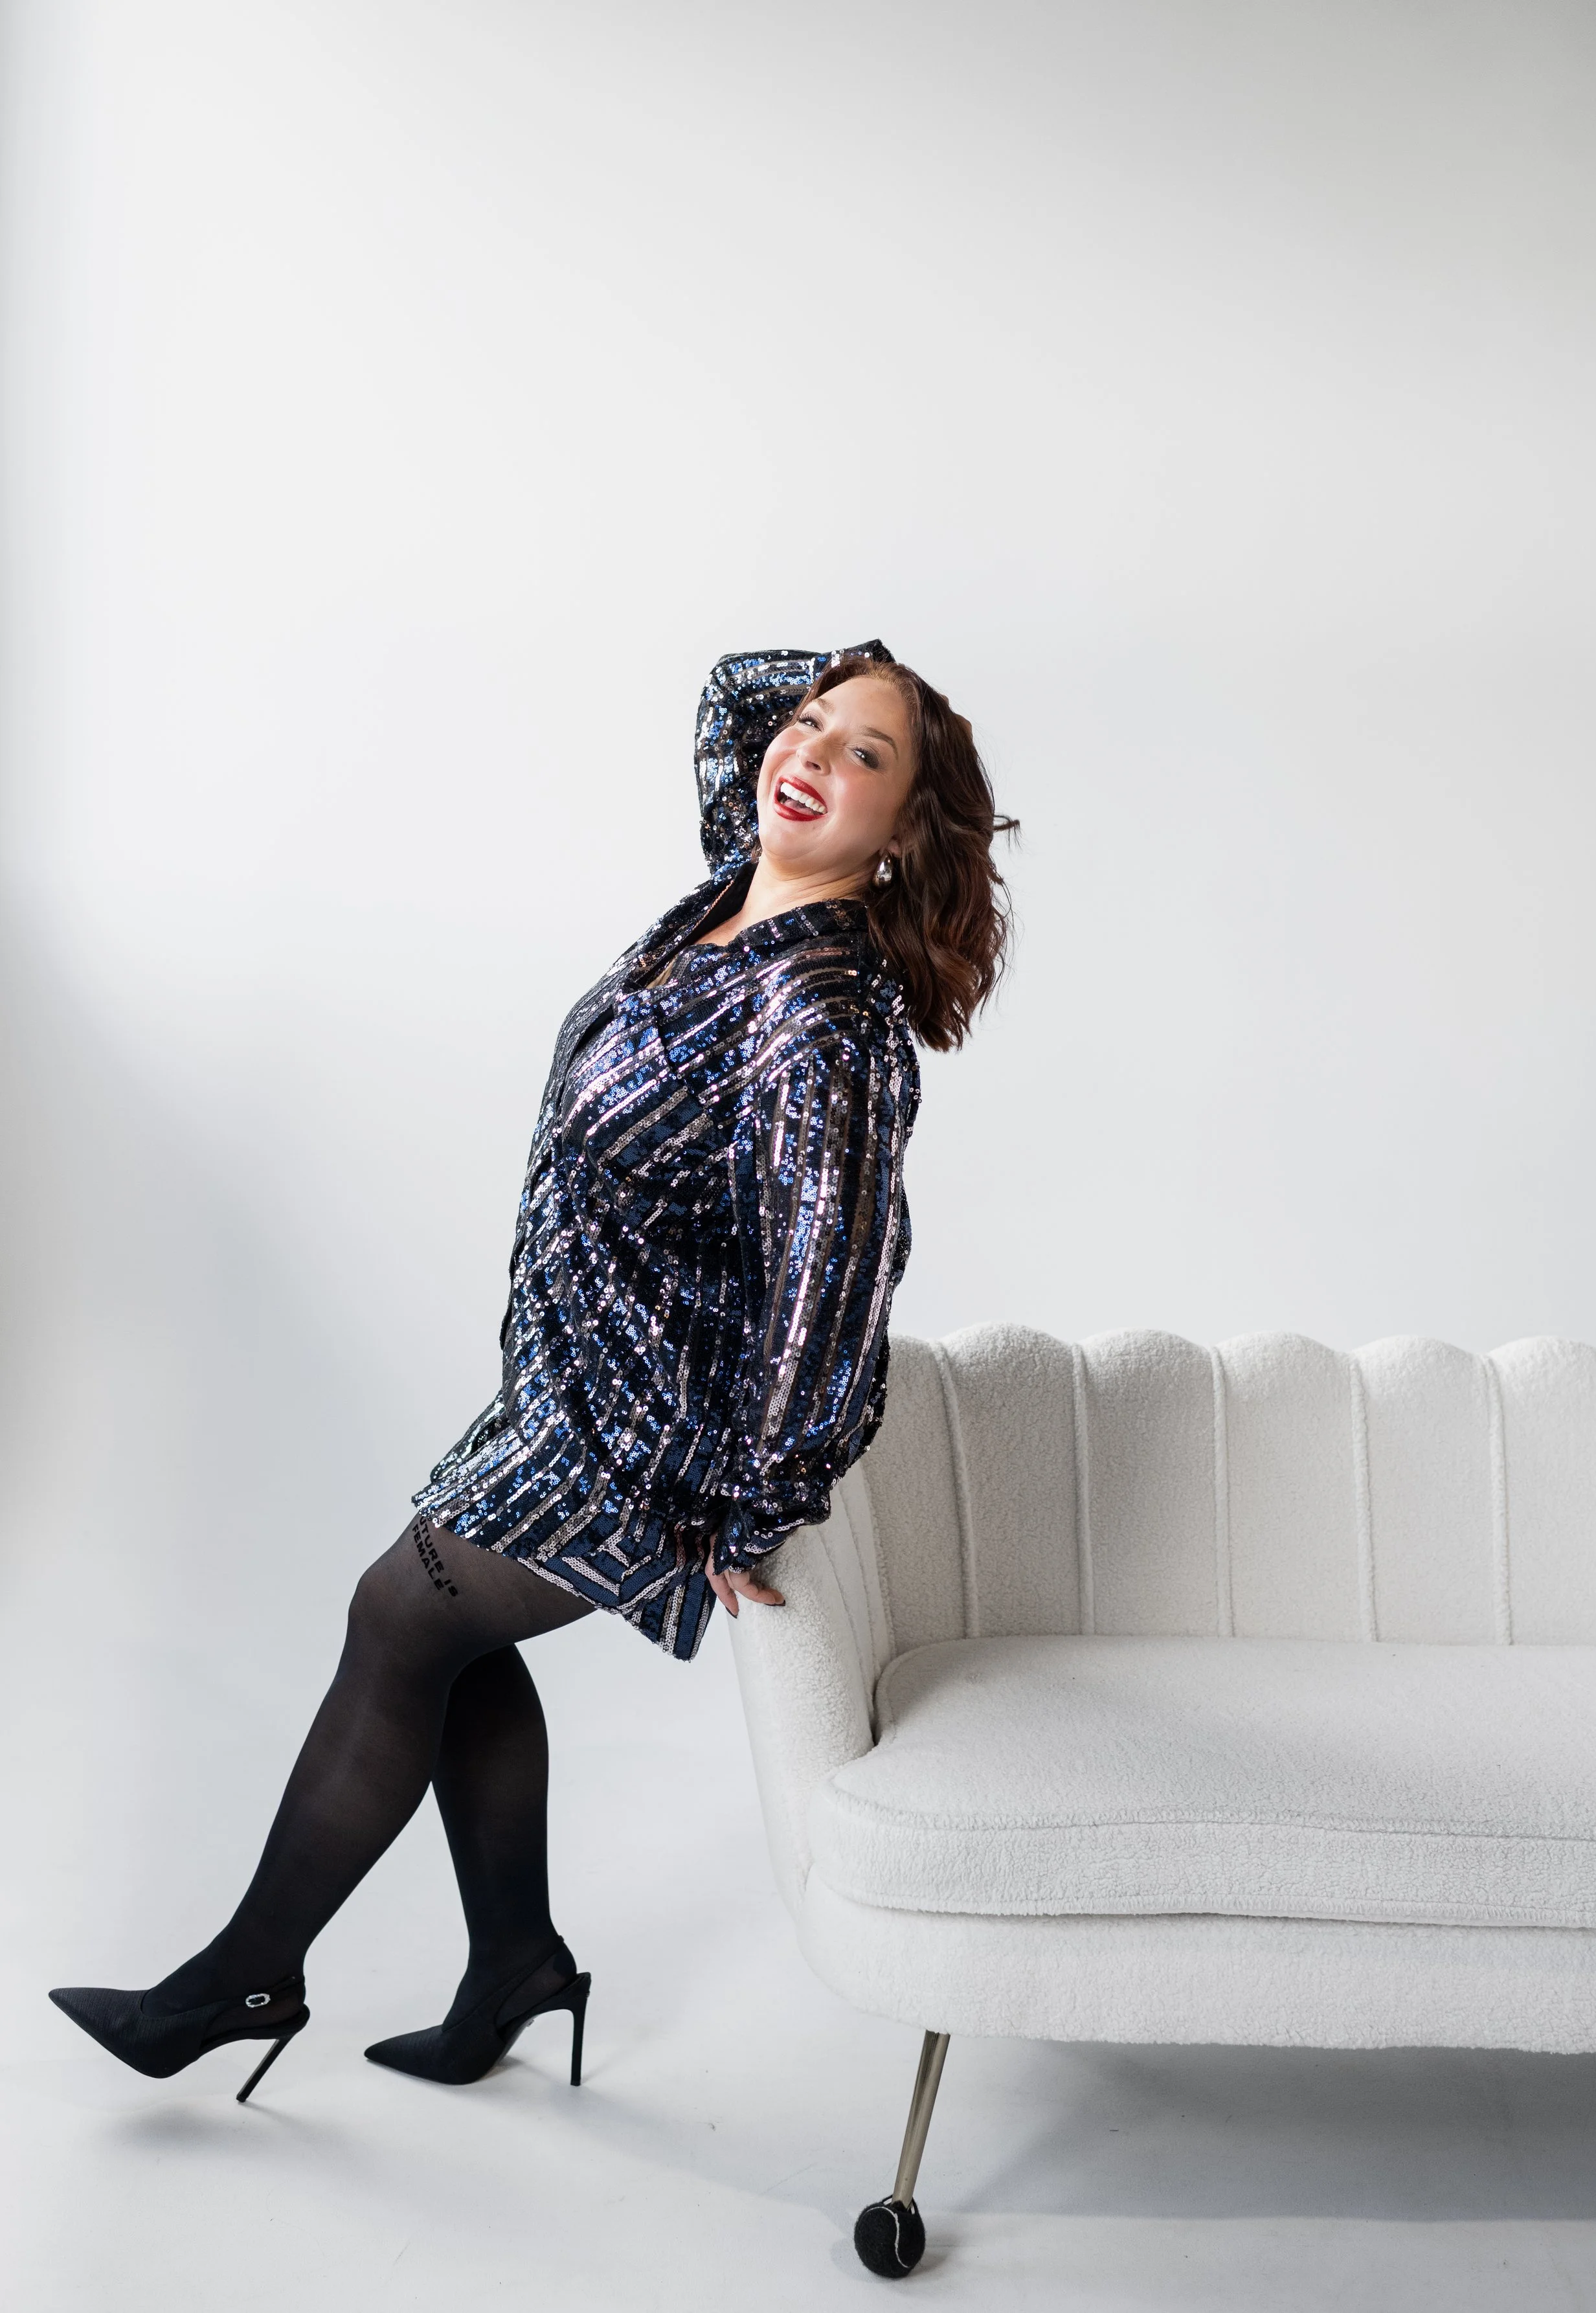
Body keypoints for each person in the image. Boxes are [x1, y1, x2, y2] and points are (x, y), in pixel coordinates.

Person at [50, 640, 1017, 2101]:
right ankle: (514, 1962)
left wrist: (759, 1501)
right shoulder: (731, 897)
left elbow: (833, 1278)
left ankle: (247, 1975)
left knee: (398, 1612)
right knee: (446, 1641)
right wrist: (858, 682)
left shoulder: (817, 1014)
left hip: (653, 1436)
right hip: (565, 1388)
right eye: (810, 727)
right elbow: (733, 703)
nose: (809, 754)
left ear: (903, 835)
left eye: (864, 757)